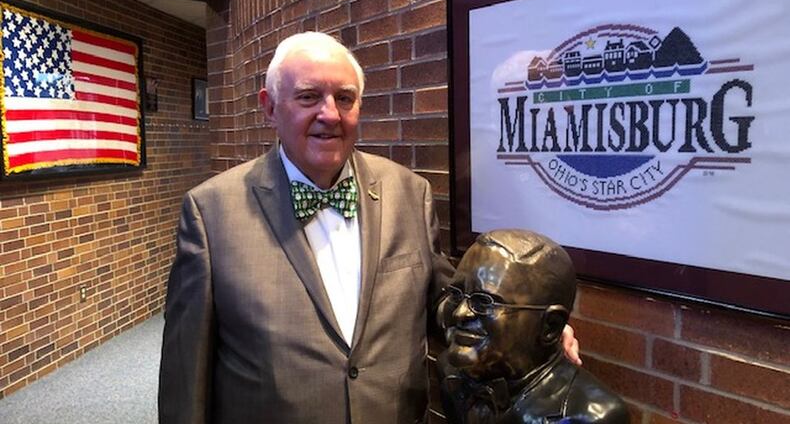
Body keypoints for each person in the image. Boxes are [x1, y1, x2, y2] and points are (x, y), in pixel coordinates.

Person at [158, 32, 579, 424]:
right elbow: (185, 373)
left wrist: (528, 335)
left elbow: (446, 304)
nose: (330, 114)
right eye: (308, 97)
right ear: (269, 106)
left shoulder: (409, 192)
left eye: (345, 98)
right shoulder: (211, 212)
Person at [439, 229, 628, 424]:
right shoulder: (451, 374)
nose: (459, 313)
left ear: (550, 326)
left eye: (485, 302)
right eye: (456, 294)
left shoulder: (595, 415)